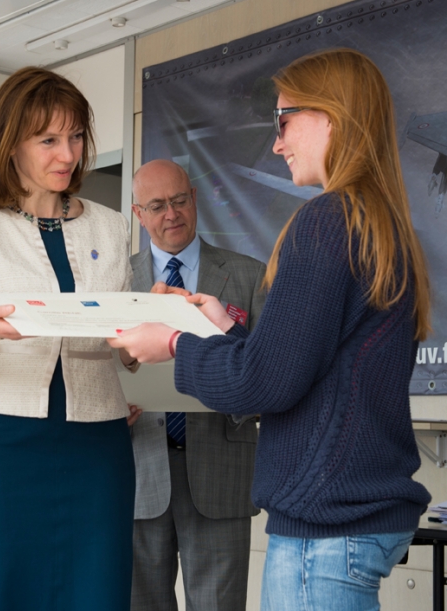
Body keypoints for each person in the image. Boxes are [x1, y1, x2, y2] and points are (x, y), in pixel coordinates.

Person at [111, 48, 432, 611]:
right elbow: (304, 367)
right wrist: (222, 334)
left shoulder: (325, 220)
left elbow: (264, 384)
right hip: (355, 517)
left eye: (284, 123)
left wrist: (172, 343)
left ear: (329, 118)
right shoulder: (377, 222)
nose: (277, 143)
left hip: (325, 527)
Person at [0, 66, 140, 610]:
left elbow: (130, 352)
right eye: (48, 139)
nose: (66, 154)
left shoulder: (112, 227)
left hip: (98, 445)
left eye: (74, 137)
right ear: (10, 144)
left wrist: (148, 321)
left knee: (95, 594)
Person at [128, 159, 265, 611]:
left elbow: (267, 373)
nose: (172, 214)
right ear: (138, 214)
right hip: (138, 471)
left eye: (180, 200)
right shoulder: (118, 281)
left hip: (220, 471)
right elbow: (98, 369)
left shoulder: (248, 276)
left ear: (196, 199)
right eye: (157, 205)